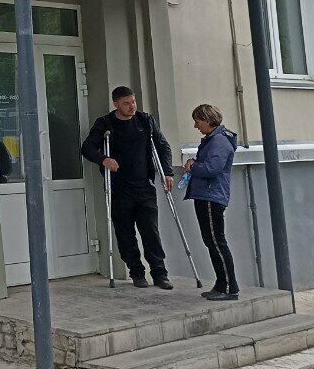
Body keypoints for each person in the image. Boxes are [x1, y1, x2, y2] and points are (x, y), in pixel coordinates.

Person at [81, 86, 176, 289]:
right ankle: (136, 272)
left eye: (133, 101)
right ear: (116, 104)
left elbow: (163, 146)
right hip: (119, 188)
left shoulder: (145, 121)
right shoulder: (105, 123)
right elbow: (87, 147)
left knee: (150, 231)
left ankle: (159, 273)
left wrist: (167, 172)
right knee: (125, 234)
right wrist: (104, 159)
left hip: (144, 186)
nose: (132, 106)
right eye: (126, 103)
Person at [184, 103, 239, 301]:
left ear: (207, 120)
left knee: (216, 242)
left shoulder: (219, 141)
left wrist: (193, 167)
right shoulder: (215, 139)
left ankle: (229, 287)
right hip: (208, 195)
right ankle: (222, 284)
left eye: (197, 121)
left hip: (211, 196)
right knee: (212, 241)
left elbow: (212, 168)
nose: (196, 126)